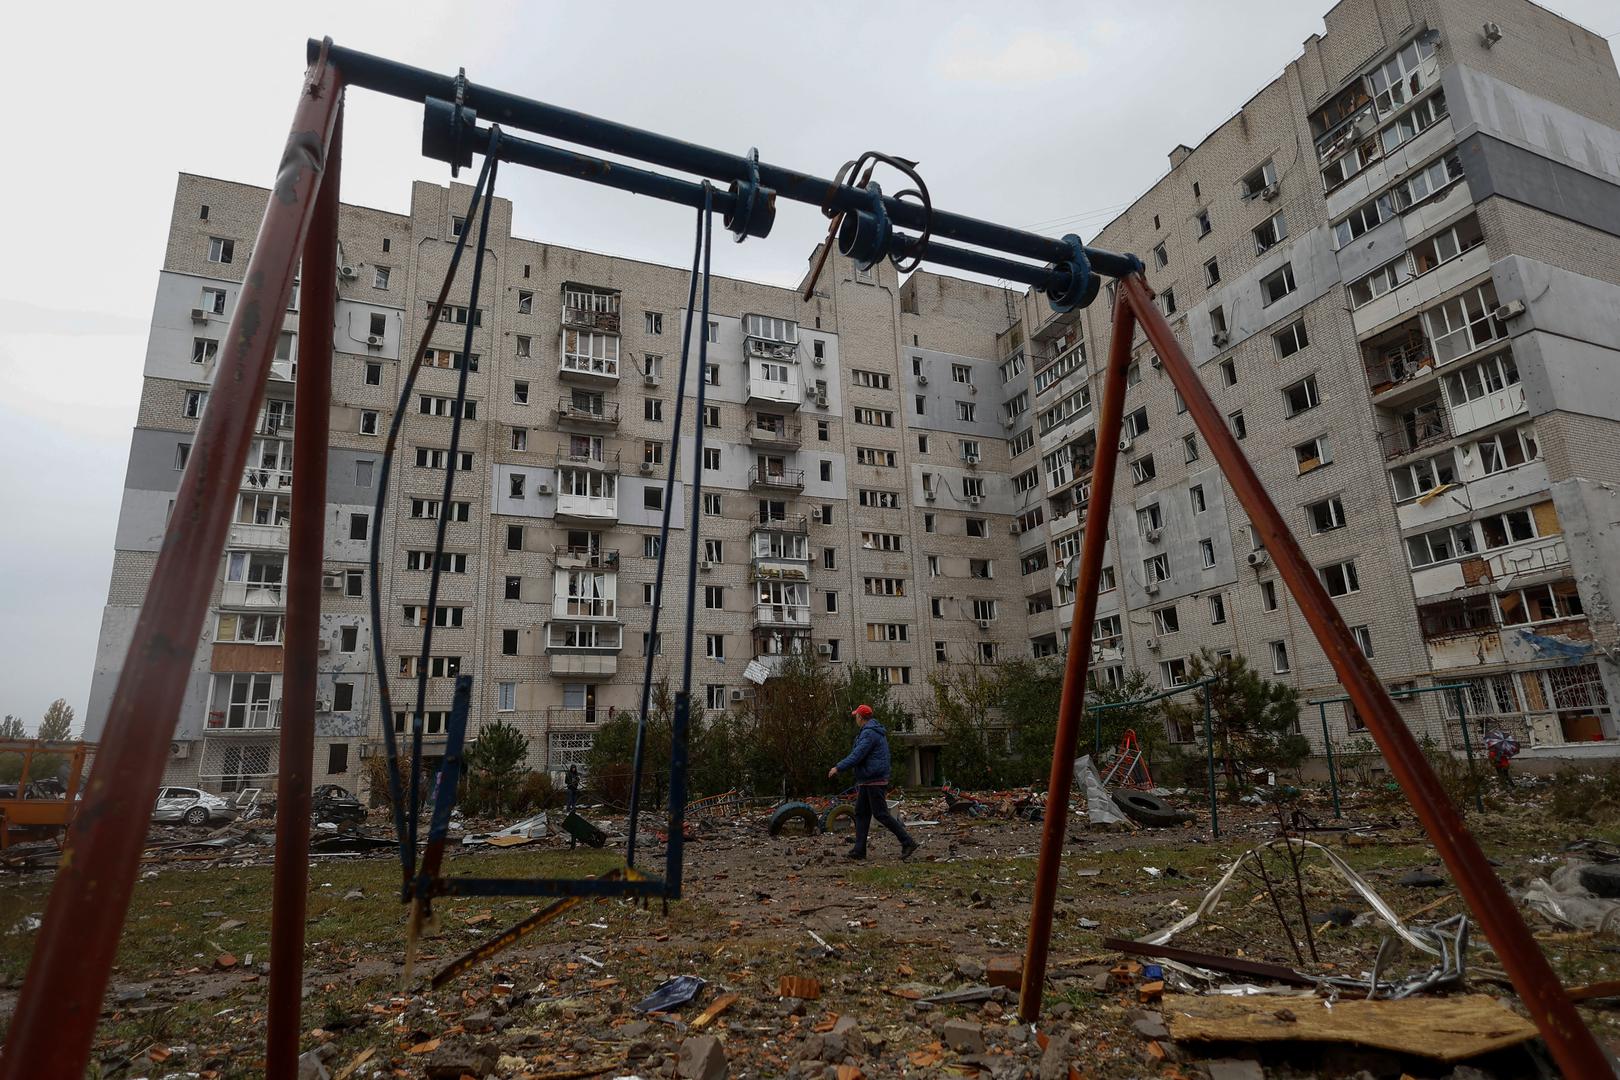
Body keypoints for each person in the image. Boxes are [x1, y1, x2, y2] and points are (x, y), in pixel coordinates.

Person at [828, 703, 918, 861]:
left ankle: (907, 842)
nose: (855, 719)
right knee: (861, 813)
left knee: (880, 814)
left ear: (860, 717)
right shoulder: (872, 731)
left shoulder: (869, 733)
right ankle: (859, 850)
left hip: (873, 779)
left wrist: (838, 767)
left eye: (856, 716)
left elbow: (857, 755)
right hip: (868, 779)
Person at [565, 764, 581, 848]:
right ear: (571, 768)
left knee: (574, 801)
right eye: (573, 768)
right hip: (570, 789)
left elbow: (578, 780)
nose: (574, 769)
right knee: (569, 800)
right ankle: (568, 809)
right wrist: (570, 783)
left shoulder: (576, 774)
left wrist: (576, 781)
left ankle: (573, 809)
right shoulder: (568, 774)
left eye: (575, 768)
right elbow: (566, 781)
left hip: (575, 789)